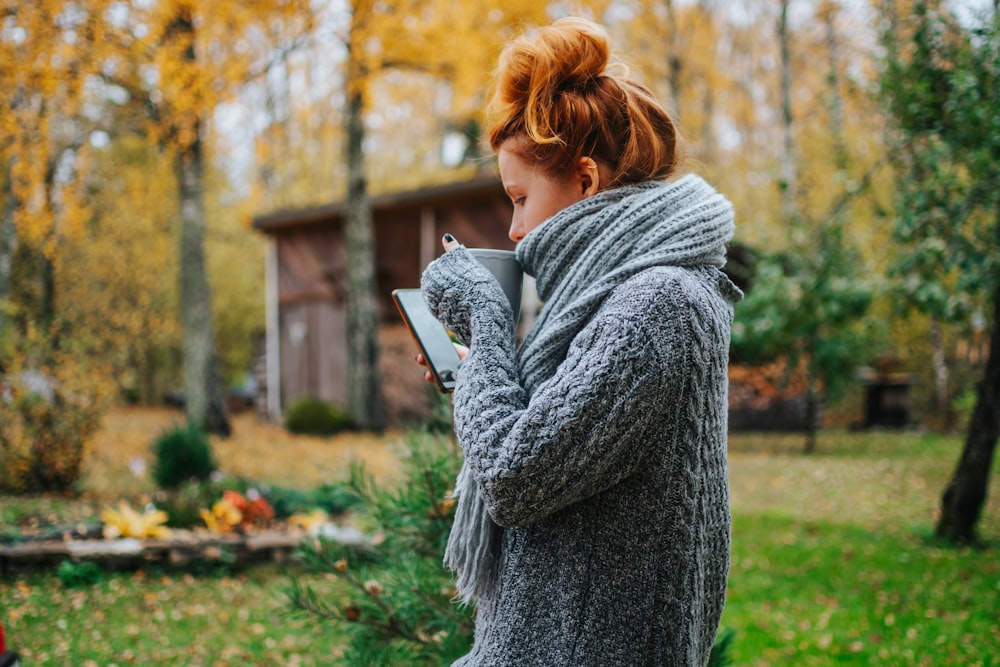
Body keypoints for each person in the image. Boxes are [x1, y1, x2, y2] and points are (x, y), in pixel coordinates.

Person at [418, 16, 741, 667]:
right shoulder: (615, 294)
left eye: (519, 198)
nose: (513, 229)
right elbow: (553, 441)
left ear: (586, 181)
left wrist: (484, 319)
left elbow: (513, 473)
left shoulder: (658, 302)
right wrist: (480, 368)